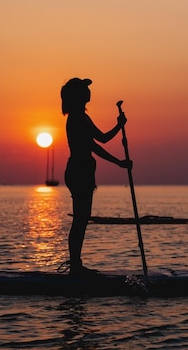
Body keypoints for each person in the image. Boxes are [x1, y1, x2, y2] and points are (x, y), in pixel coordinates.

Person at [60, 78, 132, 276]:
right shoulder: (76, 118)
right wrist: (119, 163)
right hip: (78, 172)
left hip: (83, 172)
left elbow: (101, 138)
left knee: (82, 219)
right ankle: (75, 266)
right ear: (78, 95)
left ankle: (76, 264)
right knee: (80, 220)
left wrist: (119, 126)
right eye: (84, 89)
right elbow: (94, 146)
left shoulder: (83, 116)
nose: (88, 91)